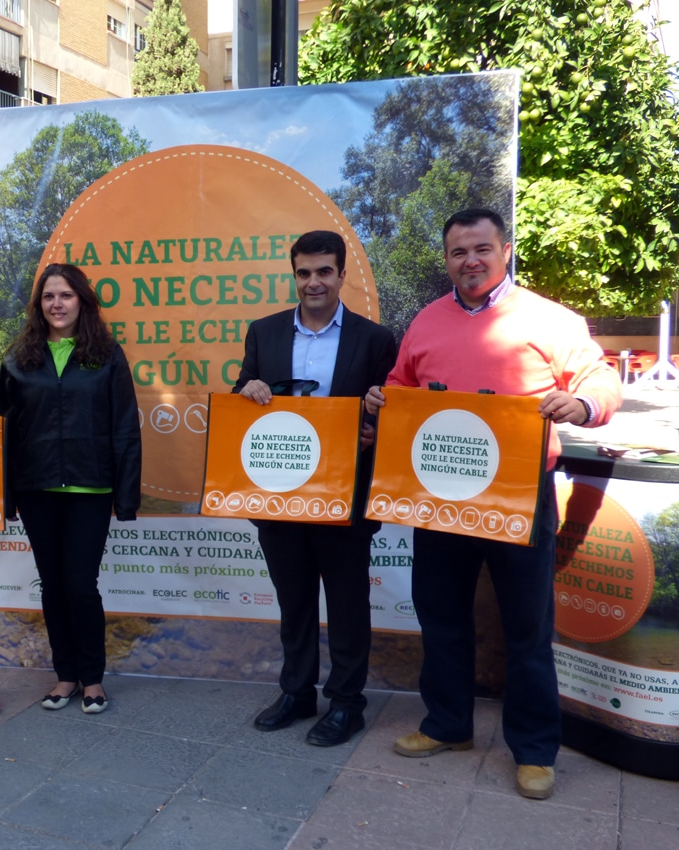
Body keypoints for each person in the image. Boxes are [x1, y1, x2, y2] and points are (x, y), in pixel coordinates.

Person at [364, 209, 622, 799]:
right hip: (440, 494)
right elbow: (402, 383)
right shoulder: (427, 321)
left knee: (526, 629)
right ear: (447, 260)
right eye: (458, 253)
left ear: (504, 250)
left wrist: (582, 406)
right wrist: (387, 399)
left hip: (518, 494)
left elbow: (599, 378)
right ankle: (448, 725)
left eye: (481, 249)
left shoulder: (548, 319)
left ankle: (534, 752)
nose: (470, 262)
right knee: (442, 616)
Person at [235, 231, 396, 746]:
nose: (313, 282)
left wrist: (374, 429)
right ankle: (297, 692)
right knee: (295, 601)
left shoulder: (375, 340)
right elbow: (245, 397)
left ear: (342, 275)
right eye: (304, 272)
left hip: (345, 497)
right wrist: (249, 391)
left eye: (324, 271)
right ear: (294, 275)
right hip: (280, 496)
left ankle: (347, 703)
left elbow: (390, 418)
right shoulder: (264, 333)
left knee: (348, 603)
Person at [0, 263, 141, 714]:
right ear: (39, 306)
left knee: (80, 585)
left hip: (90, 488)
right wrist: (6, 496)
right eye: (48, 297)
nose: (57, 304)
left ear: (82, 301)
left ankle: (93, 678)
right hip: (37, 487)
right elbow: (3, 432)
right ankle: (65, 676)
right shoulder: (18, 359)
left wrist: (127, 495)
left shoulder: (108, 355)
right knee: (52, 586)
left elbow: (124, 429)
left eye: (66, 296)